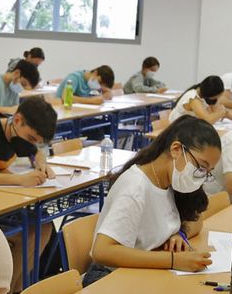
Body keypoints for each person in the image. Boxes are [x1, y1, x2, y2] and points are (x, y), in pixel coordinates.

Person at [87, 116, 222, 283]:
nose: (201, 176)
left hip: (142, 271)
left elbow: (197, 220)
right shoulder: (135, 187)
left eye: (207, 171)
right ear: (176, 150)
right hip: (111, 277)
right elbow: (102, 251)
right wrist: (173, 261)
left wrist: (180, 234)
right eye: (201, 167)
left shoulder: (173, 180)